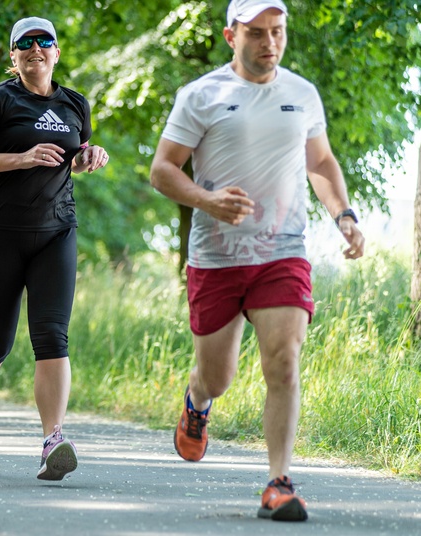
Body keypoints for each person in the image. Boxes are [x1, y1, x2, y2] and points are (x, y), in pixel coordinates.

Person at [149, 0, 365, 522]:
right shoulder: (201, 95)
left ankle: (278, 482)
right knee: (217, 376)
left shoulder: (301, 93)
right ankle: (198, 402)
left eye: (278, 32)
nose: (270, 43)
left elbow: (320, 162)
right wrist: (208, 200)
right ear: (231, 36)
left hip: (281, 251)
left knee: (284, 361)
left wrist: (345, 215)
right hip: (216, 257)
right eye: (257, 33)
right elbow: (162, 169)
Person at [0, 17, 109, 480]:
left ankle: (52, 439)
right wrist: (20, 157)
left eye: (45, 42)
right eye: (25, 44)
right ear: (14, 57)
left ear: (57, 52)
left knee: (52, 335)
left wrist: (88, 155)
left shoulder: (74, 102)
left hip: (57, 230)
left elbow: (72, 158)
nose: (36, 49)